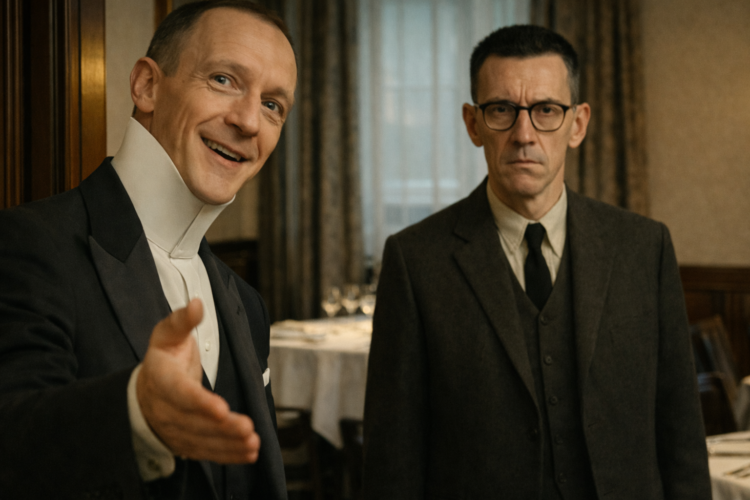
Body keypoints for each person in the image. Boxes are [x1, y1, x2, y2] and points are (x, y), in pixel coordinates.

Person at [363, 24, 710, 500]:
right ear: (473, 123)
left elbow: (681, 430)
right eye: (502, 110)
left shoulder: (644, 248)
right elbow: (392, 457)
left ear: (578, 124)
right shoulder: (415, 260)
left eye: (546, 110)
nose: (524, 134)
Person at [0, 1, 297, 498]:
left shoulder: (246, 303)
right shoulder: (28, 244)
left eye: (273, 105)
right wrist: (136, 414)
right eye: (224, 80)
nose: (249, 121)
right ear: (146, 86)